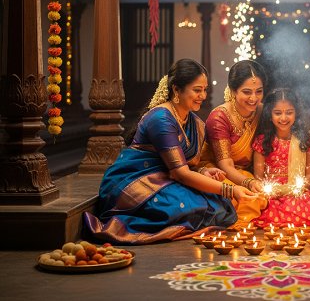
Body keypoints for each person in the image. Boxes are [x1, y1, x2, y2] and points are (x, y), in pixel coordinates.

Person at [84, 59, 256, 244]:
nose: (203, 95)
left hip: (167, 177)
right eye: (197, 90)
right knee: (192, 206)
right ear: (176, 90)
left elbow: (184, 166)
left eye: (204, 90)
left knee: (217, 204)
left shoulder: (193, 121)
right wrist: (231, 190)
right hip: (136, 182)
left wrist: (203, 171)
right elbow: (180, 173)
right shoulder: (161, 118)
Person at [194, 60, 268, 228]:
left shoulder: (262, 111)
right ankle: (239, 227)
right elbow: (226, 166)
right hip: (219, 171)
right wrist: (250, 182)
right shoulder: (219, 117)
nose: (253, 98)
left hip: (247, 172)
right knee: (247, 196)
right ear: (233, 91)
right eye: (247, 92)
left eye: (259, 91)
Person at [251, 88, 310, 228]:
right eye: (278, 113)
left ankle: (285, 219)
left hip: (298, 194)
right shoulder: (262, 142)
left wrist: (292, 190)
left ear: (296, 114)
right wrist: (273, 191)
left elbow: (309, 178)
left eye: (289, 112)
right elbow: (258, 178)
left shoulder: (305, 141)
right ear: (269, 115)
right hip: (272, 196)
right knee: (258, 206)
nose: (283, 118)